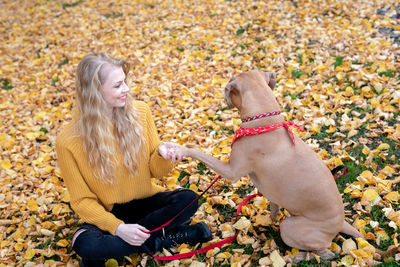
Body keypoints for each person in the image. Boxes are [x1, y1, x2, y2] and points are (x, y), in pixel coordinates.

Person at [56, 53, 212, 266]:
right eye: (118, 85)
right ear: (94, 93)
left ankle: (118, 247)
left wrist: (161, 154)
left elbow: (158, 172)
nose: (126, 89)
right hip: (107, 213)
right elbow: (82, 201)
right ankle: (159, 239)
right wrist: (118, 228)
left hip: (146, 203)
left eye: (125, 82)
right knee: (85, 244)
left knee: (188, 200)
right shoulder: (68, 141)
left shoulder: (140, 112)